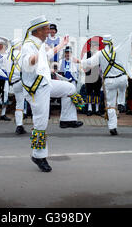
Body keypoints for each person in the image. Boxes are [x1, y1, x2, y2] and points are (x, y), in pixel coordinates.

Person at [21, 16, 84, 172]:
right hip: (35, 89)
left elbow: (47, 55)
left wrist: (61, 46)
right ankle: (38, 155)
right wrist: (39, 54)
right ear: (38, 30)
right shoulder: (28, 45)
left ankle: (67, 120)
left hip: (45, 84)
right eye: (46, 28)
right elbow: (26, 63)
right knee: (41, 123)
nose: (49, 31)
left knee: (70, 88)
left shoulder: (40, 44)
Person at [79, 34, 132, 135]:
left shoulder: (100, 54)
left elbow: (90, 62)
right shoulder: (118, 50)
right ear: (112, 41)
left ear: (103, 43)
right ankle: (121, 103)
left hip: (110, 81)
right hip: (122, 78)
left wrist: (79, 61)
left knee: (110, 105)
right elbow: (130, 58)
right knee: (122, 89)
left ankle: (112, 127)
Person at [7, 38, 27, 135]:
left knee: (19, 105)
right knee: (35, 102)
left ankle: (19, 125)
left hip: (15, 83)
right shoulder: (23, 54)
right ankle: (38, 126)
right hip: (25, 82)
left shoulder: (8, 55)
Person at [0, 37, 11, 122]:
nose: (0, 46)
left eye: (2, 44)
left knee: (5, 95)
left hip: (5, 77)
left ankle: (3, 114)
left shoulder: (8, 54)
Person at [84, 39, 103, 116]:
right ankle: (89, 109)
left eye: (95, 46)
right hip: (89, 76)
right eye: (92, 46)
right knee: (89, 93)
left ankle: (97, 109)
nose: (94, 47)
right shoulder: (87, 54)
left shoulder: (100, 55)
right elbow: (83, 63)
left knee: (97, 93)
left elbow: (102, 65)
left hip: (97, 76)